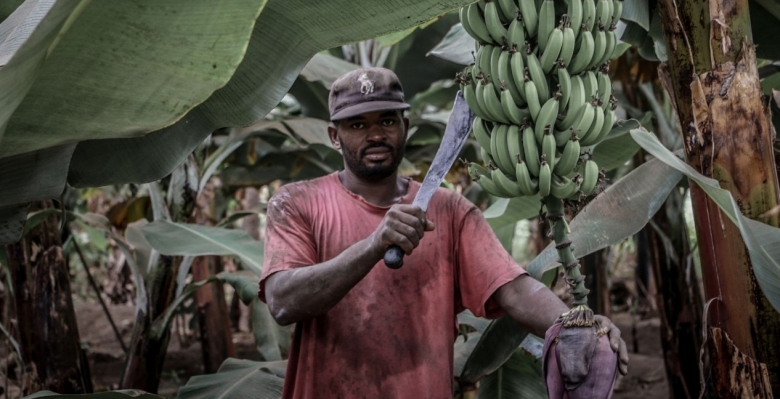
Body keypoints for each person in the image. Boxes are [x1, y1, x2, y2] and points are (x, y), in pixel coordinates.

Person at [258, 67, 628, 398]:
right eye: (357, 125)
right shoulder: (297, 203)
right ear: (334, 136)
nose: (374, 134)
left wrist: (577, 322)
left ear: (405, 126)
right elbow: (283, 301)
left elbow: (513, 289)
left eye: (387, 121)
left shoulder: (449, 209)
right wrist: (373, 245)